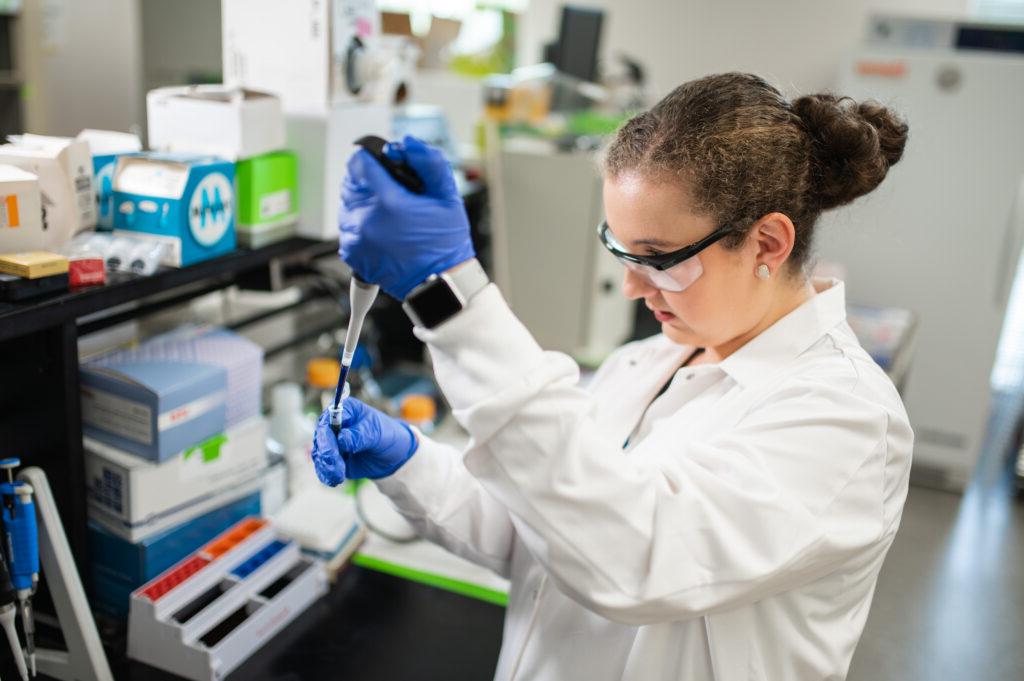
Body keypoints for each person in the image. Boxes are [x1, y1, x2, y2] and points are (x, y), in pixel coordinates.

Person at [312, 72, 913, 681]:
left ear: (767, 244)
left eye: (656, 259)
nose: (632, 286)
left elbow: (635, 559)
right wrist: (410, 464)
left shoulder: (849, 420)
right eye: (621, 251)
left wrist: (452, 297)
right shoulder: (648, 361)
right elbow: (545, 536)